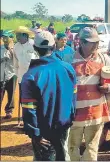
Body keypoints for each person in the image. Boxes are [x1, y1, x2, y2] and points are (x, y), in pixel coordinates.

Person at [68, 27, 110, 161]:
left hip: (96, 113)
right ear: (81, 42)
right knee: (71, 147)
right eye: (92, 42)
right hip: (73, 115)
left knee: (92, 148)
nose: (96, 45)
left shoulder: (104, 59)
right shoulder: (68, 60)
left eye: (97, 42)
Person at [21, 31, 77, 161]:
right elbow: (73, 100)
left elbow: (29, 109)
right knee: (63, 156)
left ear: (35, 48)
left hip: (42, 132)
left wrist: (35, 133)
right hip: (64, 126)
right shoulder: (68, 69)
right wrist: (70, 119)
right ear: (53, 47)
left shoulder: (31, 76)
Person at [13, 26, 39, 124]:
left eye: (18, 35)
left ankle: (36, 120)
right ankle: (26, 121)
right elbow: (15, 63)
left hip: (34, 79)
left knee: (35, 99)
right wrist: (19, 76)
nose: (17, 37)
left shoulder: (34, 45)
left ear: (25, 35)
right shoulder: (16, 46)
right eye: (16, 35)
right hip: (22, 78)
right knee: (23, 100)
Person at [0, 30, 17, 119]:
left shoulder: (15, 49)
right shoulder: (0, 48)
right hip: (1, 74)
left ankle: (9, 111)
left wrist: (10, 50)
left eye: (7, 37)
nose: (5, 39)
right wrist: (2, 59)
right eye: (4, 37)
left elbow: (18, 61)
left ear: (11, 38)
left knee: (11, 94)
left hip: (12, 74)